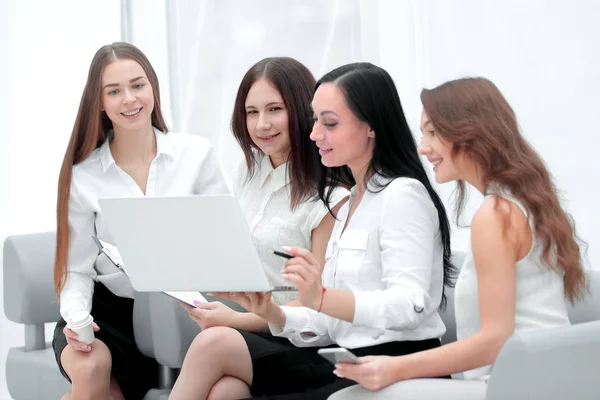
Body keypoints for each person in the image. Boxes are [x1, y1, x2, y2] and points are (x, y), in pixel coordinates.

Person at [169, 62, 455, 400]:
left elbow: (412, 305)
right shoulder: (352, 203)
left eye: (329, 123)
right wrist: (270, 311)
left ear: (371, 127)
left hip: (397, 365)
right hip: (346, 358)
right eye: (315, 120)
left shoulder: (402, 196)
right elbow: (329, 321)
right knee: (226, 391)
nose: (313, 134)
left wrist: (322, 299)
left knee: (218, 356)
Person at [332, 77, 588, 399]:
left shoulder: (496, 215)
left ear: (470, 132)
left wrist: (393, 367)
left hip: (520, 385)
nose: (423, 147)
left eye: (433, 132)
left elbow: (495, 341)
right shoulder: (520, 204)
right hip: (541, 378)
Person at [52, 42, 230, 400]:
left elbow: (226, 242)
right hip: (108, 316)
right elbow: (77, 269)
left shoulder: (195, 155)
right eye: (114, 91)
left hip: (179, 316)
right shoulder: (83, 176)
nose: (129, 99)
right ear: (99, 102)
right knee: (88, 368)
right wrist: (77, 319)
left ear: (152, 88)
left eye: (137, 85)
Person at [181, 57, 349, 332]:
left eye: (274, 109)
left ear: (303, 110)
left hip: (299, 335)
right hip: (244, 324)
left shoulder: (330, 198)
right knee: (222, 369)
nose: (262, 124)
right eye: (251, 112)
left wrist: (234, 321)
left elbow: (320, 303)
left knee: (214, 342)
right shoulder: (248, 171)